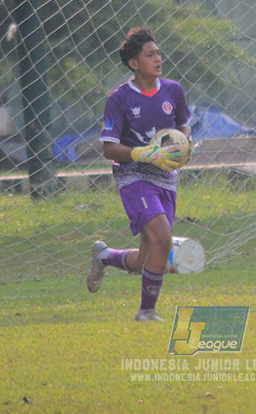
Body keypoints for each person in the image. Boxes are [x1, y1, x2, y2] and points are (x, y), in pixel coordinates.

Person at [87, 26, 192, 322]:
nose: (158, 58)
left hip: (166, 178)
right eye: (150, 54)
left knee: (147, 258)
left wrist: (182, 143)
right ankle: (146, 311)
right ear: (134, 63)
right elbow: (109, 147)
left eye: (158, 52)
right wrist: (141, 153)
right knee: (163, 239)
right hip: (133, 177)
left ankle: (105, 256)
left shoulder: (173, 90)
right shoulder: (119, 99)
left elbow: (184, 124)